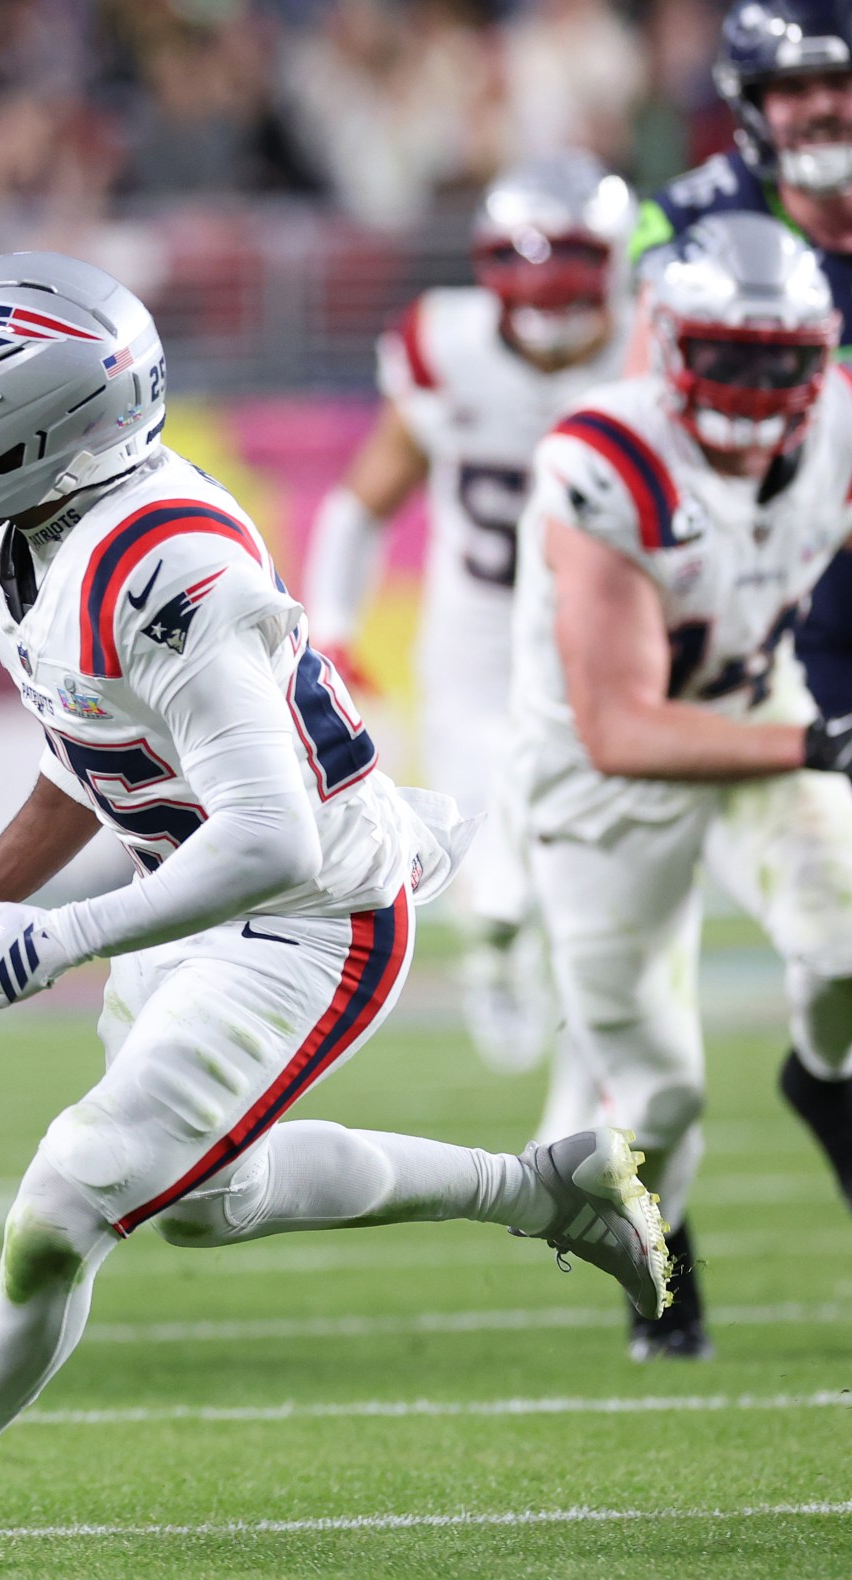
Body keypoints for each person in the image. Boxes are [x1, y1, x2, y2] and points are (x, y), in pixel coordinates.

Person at [0, 254, 671, 1576]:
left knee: (70, 1200)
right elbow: (82, 754)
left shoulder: (161, 562)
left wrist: (52, 941)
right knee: (209, 1204)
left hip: (310, 911)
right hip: (202, 892)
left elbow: (270, 838)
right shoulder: (24, 529)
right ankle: (545, 1191)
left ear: (51, 429)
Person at [512, 214, 852, 1361]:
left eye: (784, 361)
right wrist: (822, 744)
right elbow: (622, 726)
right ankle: (664, 1272)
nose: (759, 390)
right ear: (668, 342)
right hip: (601, 777)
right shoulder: (603, 462)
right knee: (659, 1097)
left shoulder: (840, 417)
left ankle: (825, 1078)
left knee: (848, 938)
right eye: (728, 355)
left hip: (756, 700)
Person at [303, 152, 631, 1074]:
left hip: (611, 635)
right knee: (490, 860)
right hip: (482, 639)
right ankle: (496, 953)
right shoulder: (448, 346)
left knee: (594, 858)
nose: (551, 308)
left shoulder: (655, 345)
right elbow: (364, 499)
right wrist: (330, 623)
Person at [628, 0, 852, 1289]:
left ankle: (824, 1075)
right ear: (752, 101)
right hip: (734, 612)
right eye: (798, 84)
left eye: (843, 81)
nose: (824, 106)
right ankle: (659, 1227)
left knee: (837, 947)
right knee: (628, 985)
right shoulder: (693, 225)